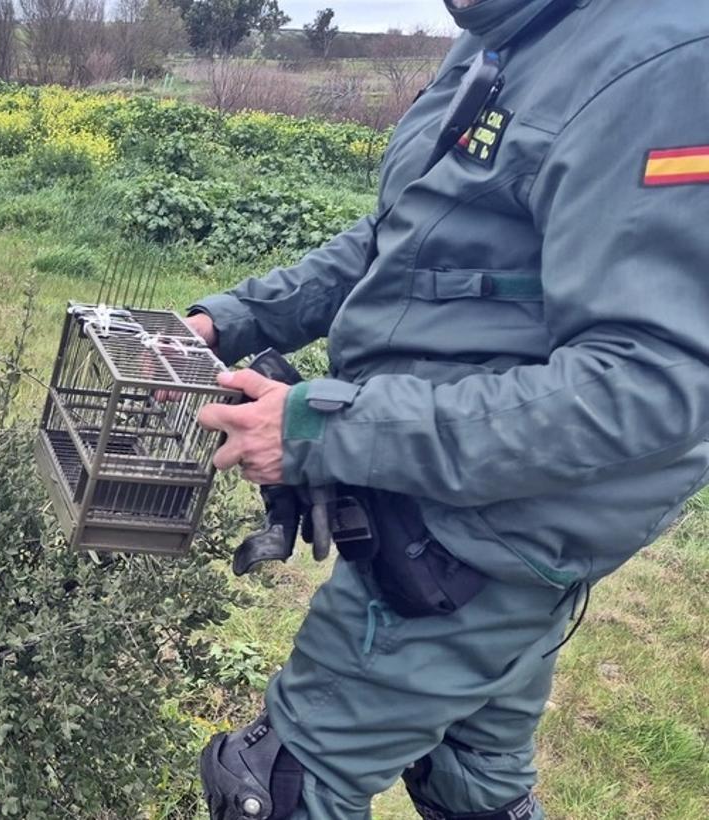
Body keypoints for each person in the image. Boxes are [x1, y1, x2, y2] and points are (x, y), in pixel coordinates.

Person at [188, 1, 709, 818]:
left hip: (473, 544)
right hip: (444, 512)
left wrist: (324, 428)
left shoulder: (669, 61)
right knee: (474, 785)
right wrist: (232, 319)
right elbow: (406, 236)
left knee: (280, 791)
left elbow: (650, 385)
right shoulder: (502, 33)